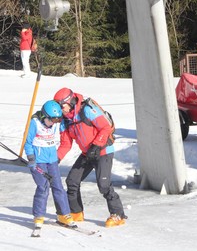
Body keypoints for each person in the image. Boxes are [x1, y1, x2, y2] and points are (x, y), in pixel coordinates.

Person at [53, 88, 127, 227]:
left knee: (103, 185)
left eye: (61, 106)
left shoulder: (87, 110)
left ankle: (118, 214)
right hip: (87, 153)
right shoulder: (65, 120)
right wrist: (55, 159)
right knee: (72, 181)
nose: (60, 109)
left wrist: (96, 146)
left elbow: (105, 127)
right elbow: (65, 143)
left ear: (69, 102)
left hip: (103, 150)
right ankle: (76, 212)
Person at [25, 100, 76, 228]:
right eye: (51, 120)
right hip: (39, 161)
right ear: (44, 116)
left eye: (56, 121)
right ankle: (39, 215)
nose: (53, 123)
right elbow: (28, 142)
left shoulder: (54, 123)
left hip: (52, 160)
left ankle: (64, 214)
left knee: (58, 186)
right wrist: (31, 158)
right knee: (43, 187)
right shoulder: (35, 123)